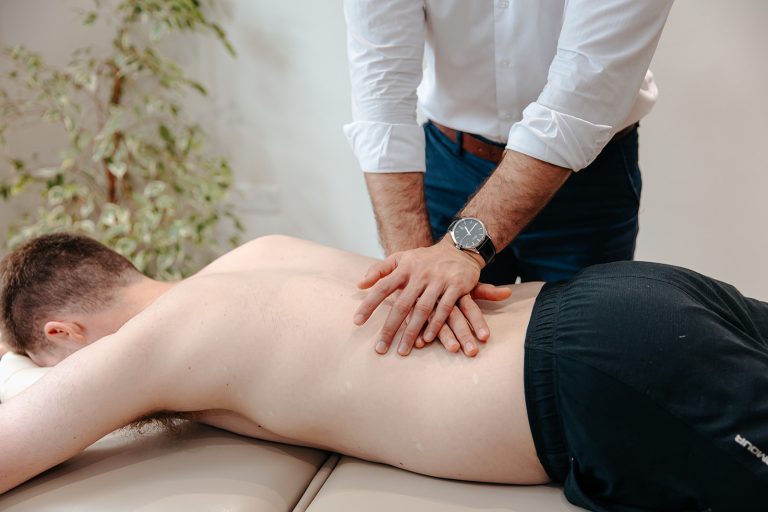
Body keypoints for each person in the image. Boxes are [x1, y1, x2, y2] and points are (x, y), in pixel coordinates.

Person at [0, 233, 766, 511]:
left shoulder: (156, 340)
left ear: (63, 333)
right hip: (625, 299)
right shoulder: (257, 255)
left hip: (596, 372)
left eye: (50, 365)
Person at [343, 1, 675, 358]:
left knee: (582, 357)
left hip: (585, 179)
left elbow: (581, 99)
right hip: (447, 163)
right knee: (434, 349)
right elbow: (381, 92)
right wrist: (416, 275)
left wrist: (461, 249)